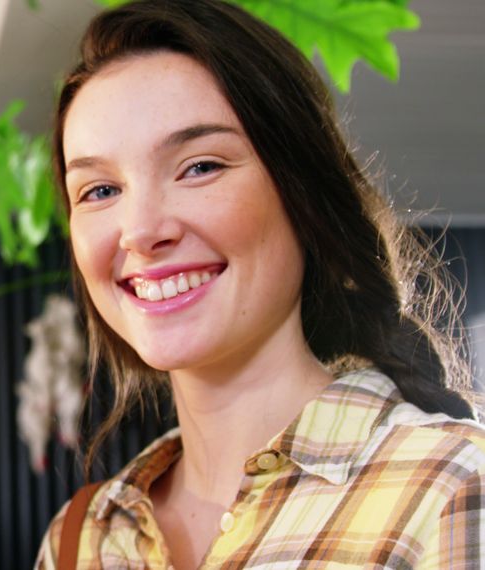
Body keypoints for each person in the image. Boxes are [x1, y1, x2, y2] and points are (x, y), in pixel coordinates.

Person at [34, 0, 485, 568]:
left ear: (305, 196)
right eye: (99, 190)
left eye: (200, 166)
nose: (141, 232)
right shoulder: (80, 539)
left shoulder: (454, 489)